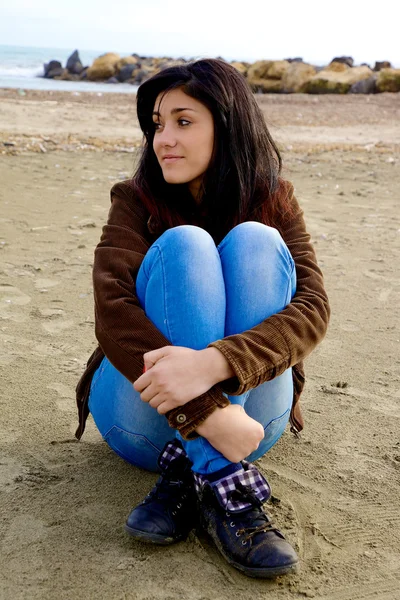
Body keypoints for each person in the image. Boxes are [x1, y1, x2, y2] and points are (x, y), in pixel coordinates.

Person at [75, 58, 330, 579]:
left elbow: (312, 310)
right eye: (157, 124)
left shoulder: (273, 198)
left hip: (255, 420)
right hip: (144, 419)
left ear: (227, 122)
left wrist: (216, 363)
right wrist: (208, 414)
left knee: (257, 241)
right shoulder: (134, 198)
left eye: (183, 121)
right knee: (186, 245)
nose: (163, 138)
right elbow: (113, 311)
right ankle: (219, 473)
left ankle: (191, 473)